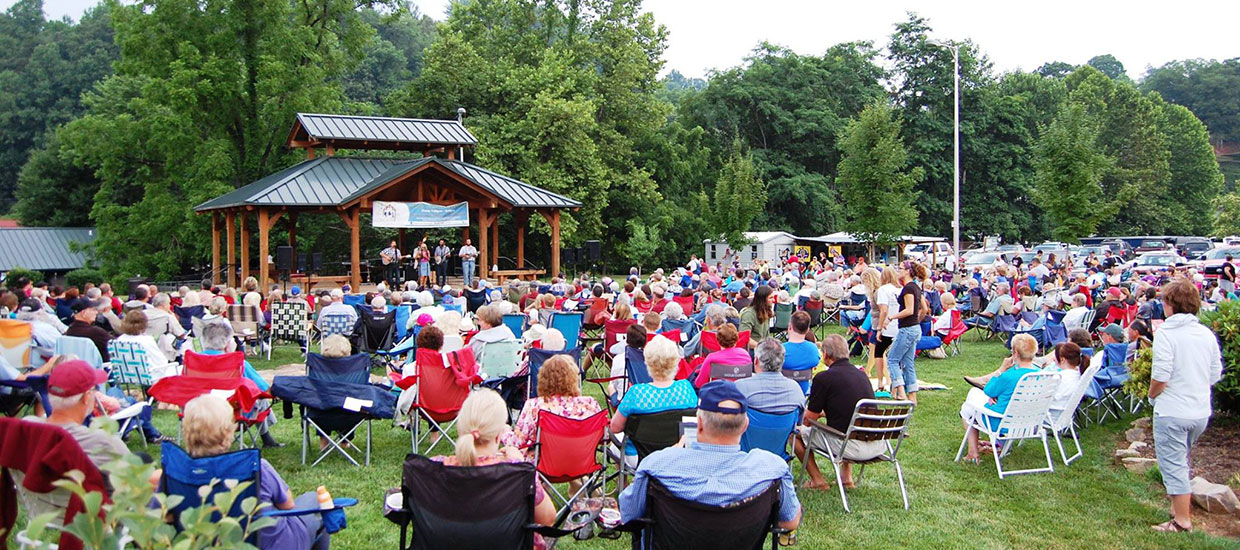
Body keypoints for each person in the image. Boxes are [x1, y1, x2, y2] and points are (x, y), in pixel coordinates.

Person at [619, 381, 801, 533]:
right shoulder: (771, 469)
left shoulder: (656, 465)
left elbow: (630, 514)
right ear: (745, 425)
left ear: (698, 424)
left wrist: (670, 453)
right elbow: (789, 522)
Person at [13, 360, 156, 527]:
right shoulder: (101, 441)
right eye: (94, 389)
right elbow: (139, 485)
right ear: (87, 397)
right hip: (98, 515)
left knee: (141, 458)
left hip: (44, 508)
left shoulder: (27, 429)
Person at [182, 394, 328, 550]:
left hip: (209, 543)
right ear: (228, 432)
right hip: (271, 544)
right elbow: (288, 504)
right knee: (317, 500)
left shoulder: (176, 473)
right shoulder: (255, 467)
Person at [432, 389, 556, 550]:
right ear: (498, 436)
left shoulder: (434, 469)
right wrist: (520, 463)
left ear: (460, 428)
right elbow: (547, 519)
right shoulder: (518, 471)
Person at [1148, 279, 1222, 533]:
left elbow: (1161, 375)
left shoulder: (1167, 334)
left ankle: (1181, 521)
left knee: (1174, 462)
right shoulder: (1205, 334)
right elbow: (1215, 373)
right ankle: (1177, 508)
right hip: (1200, 410)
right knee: (1180, 458)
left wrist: (1152, 395)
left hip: (1173, 409)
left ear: (1170, 305)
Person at [795, 335, 883, 490]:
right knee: (848, 425)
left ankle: (817, 480)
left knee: (793, 434)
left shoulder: (823, 378)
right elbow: (850, 409)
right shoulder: (862, 375)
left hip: (850, 447)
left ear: (826, 355)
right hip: (877, 444)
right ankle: (846, 477)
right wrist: (825, 413)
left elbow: (809, 420)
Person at [611, 335, 698, 460]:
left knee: (616, 444)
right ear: (676, 361)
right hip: (676, 455)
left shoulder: (636, 393)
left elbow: (615, 427)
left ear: (647, 362)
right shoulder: (686, 389)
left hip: (641, 457)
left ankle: (624, 480)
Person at [958, 334, 1041, 463]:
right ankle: (995, 446)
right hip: (1030, 423)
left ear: (1015, 353)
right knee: (975, 397)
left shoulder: (1009, 375)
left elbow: (988, 390)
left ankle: (972, 453)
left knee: (968, 406)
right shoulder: (1042, 375)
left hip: (1001, 423)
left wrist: (1001, 369)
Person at [198, 320, 282, 448]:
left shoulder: (192, 361)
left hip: (197, 414)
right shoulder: (238, 364)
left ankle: (268, 440)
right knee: (260, 398)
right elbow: (264, 390)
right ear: (227, 344)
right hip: (230, 415)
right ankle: (267, 439)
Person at [503, 355, 603, 462]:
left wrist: (504, 431)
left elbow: (516, 442)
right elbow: (603, 437)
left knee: (506, 453)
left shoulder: (535, 406)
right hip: (580, 463)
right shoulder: (590, 404)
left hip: (543, 465)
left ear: (542, 379)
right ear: (574, 378)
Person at [886, 262, 926, 403]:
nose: (898, 271)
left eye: (900, 269)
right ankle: (912, 396)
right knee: (908, 363)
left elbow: (909, 310)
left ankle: (901, 392)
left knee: (892, 359)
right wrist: (917, 321)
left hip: (907, 329)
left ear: (908, 271)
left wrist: (891, 317)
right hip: (914, 328)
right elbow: (924, 309)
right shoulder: (916, 287)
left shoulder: (909, 289)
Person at [734, 338, 805, 414]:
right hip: (784, 426)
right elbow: (799, 421)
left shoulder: (740, 387)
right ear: (782, 362)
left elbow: (732, 419)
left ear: (756, 361)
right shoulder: (795, 389)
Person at [115, 310, 178, 378]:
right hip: (150, 377)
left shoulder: (119, 340)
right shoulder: (146, 340)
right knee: (177, 368)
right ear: (144, 324)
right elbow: (161, 361)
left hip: (127, 377)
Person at [782, 311, 820, 393]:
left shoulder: (780, 349)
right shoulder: (813, 348)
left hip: (783, 391)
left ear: (789, 327)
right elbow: (815, 362)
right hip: (804, 393)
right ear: (808, 330)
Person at [64, 297, 113, 362]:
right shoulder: (95, 332)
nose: (96, 312)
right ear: (84, 313)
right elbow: (116, 344)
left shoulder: (70, 330)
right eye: (93, 310)